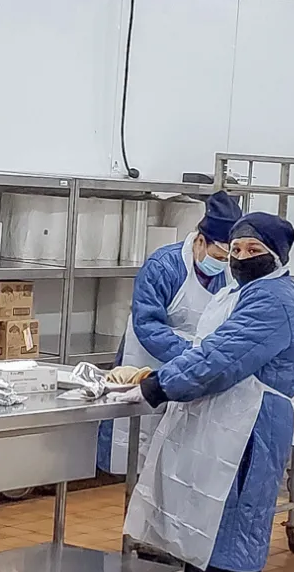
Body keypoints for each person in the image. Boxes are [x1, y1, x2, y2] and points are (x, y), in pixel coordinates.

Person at [116, 212, 294, 572]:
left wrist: (159, 385)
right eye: (237, 249)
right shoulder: (248, 291)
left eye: (252, 252)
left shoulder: (273, 302)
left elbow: (222, 358)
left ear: (277, 257)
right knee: (241, 530)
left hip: (247, 426)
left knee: (215, 531)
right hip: (239, 421)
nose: (241, 258)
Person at [97, 191, 240, 474]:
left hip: (192, 371)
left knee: (176, 456)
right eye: (217, 255)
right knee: (137, 443)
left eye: (227, 257)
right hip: (148, 361)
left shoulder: (228, 274)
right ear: (200, 240)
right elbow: (147, 324)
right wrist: (191, 355)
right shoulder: (164, 266)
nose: (222, 263)